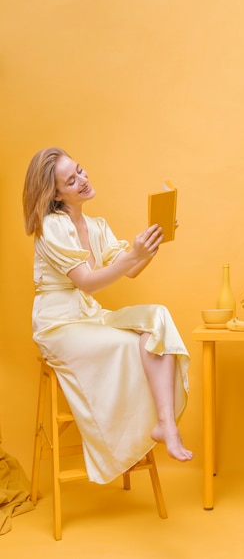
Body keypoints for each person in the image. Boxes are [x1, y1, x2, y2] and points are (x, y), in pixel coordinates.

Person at [22, 147, 193, 484]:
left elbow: (129, 270)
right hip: (59, 324)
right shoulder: (52, 225)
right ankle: (146, 430)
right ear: (55, 194)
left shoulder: (95, 225)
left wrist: (153, 243)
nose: (83, 181)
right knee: (129, 346)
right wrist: (134, 255)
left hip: (90, 316)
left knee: (157, 318)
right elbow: (86, 282)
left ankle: (165, 424)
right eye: (71, 181)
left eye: (81, 171)